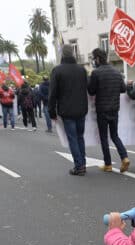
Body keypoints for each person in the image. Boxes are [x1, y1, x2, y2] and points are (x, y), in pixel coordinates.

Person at [88, 48, 130, 173]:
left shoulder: (96, 73)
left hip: (102, 109)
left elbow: (91, 91)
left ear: (97, 59)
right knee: (114, 135)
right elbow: (123, 89)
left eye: (93, 58)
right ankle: (124, 157)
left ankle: (108, 164)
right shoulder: (117, 72)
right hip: (114, 109)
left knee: (104, 137)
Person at [49, 46, 88, 176]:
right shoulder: (82, 70)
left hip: (67, 110)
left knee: (73, 139)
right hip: (82, 109)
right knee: (80, 137)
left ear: (62, 55)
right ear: (73, 54)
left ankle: (79, 166)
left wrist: (52, 112)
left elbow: (52, 93)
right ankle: (83, 163)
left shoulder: (57, 70)